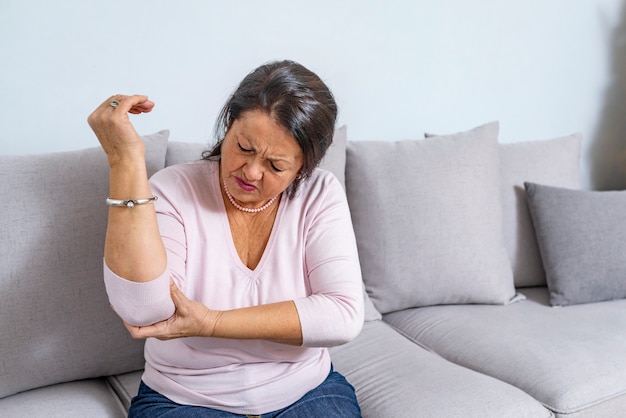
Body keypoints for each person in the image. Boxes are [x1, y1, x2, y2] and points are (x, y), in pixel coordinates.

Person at [87, 60, 364, 417]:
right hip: (184, 399)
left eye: (276, 166)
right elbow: (144, 309)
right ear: (228, 126)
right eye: (244, 147)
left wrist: (212, 322)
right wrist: (125, 161)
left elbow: (341, 314)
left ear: (302, 169)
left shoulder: (319, 193)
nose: (251, 171)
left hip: (307, 391)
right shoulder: (172, 190)